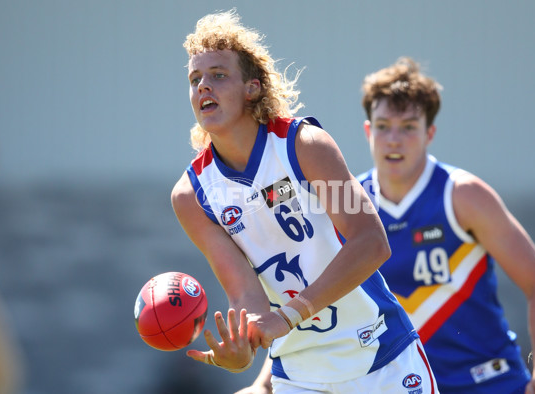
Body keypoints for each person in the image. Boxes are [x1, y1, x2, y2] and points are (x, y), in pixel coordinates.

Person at [171, 11, 438, 393]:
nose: (203, 88)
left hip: (381, 356)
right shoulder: (191, 195)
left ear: (252, 88)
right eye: (195, 80)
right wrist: (242, 354)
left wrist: (290, 316)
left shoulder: (305, 145)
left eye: (217, 75)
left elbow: (372, 243)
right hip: (297, 377)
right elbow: (246, 295)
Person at [355, 57, 535, 393]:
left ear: (430, 133)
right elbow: (311, 298)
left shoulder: (463, 195)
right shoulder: (351, 204)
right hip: (399, 386)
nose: (394, 139)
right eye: (383, 126)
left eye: (409, 127)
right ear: (368, 131)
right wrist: (267, 383)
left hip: (489, 382)